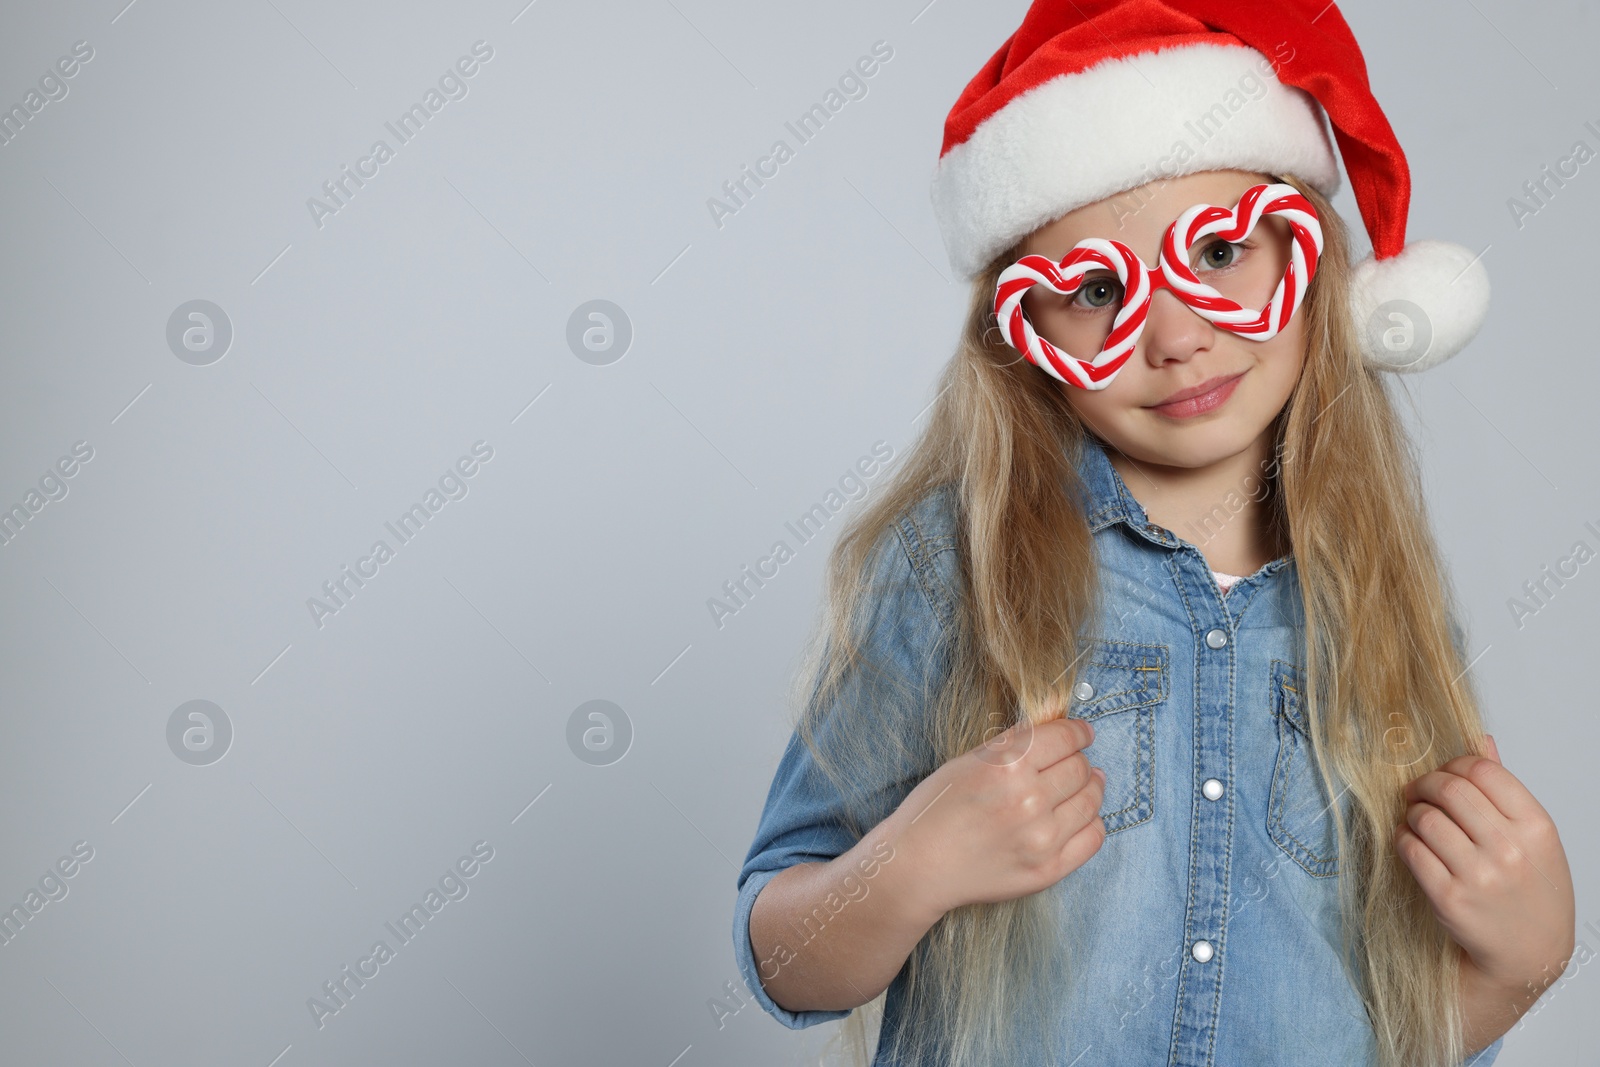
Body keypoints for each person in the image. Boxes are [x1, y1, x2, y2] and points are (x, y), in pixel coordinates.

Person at [730, 3, 1576, 1065]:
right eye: (1093, 290)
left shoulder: (1380, 592)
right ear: (1024, 331)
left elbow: (1377, 1033)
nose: (1176, 337)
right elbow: (781, 957)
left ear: (1308, 261)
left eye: (1219, 251)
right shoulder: (953, 563)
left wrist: (1519, 963)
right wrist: (906, 867)